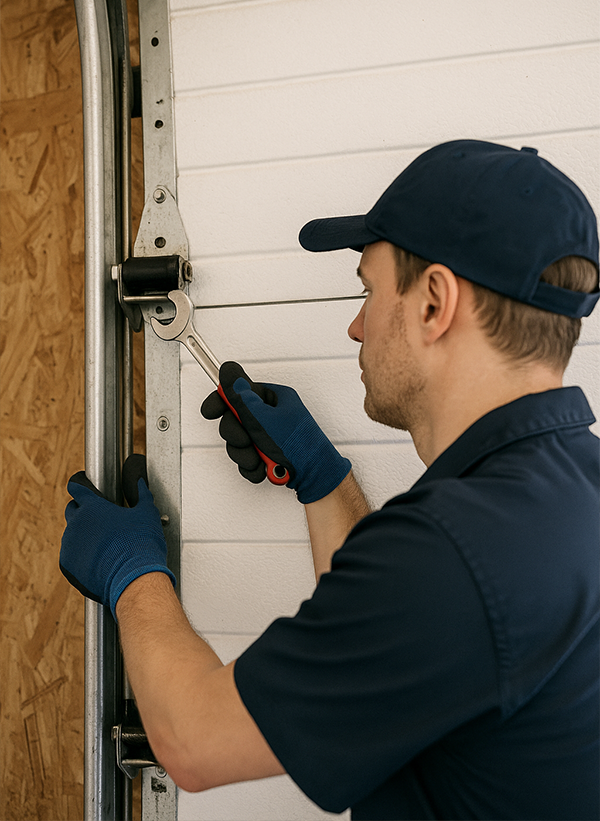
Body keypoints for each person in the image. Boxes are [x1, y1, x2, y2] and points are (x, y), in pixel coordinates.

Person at [60, 140, 600, 820]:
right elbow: (395, 649)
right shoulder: (570, 494)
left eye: (368, 290)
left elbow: (194, 742)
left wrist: (128, 572)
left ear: (435, 302)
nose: (354, 325)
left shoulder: (457, 551)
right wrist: (322, 478)